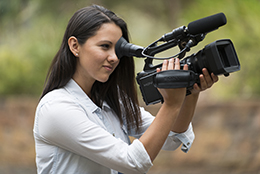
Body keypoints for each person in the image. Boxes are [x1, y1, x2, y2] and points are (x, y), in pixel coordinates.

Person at [33, 4, 218, 174]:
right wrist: (170, 105)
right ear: (75, 46)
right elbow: (132, 163)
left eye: (118, 50)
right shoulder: (56, 108)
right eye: (105, 46)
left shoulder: (111, 100)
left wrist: (190, 92)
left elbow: (171, 138)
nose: (114, 57)